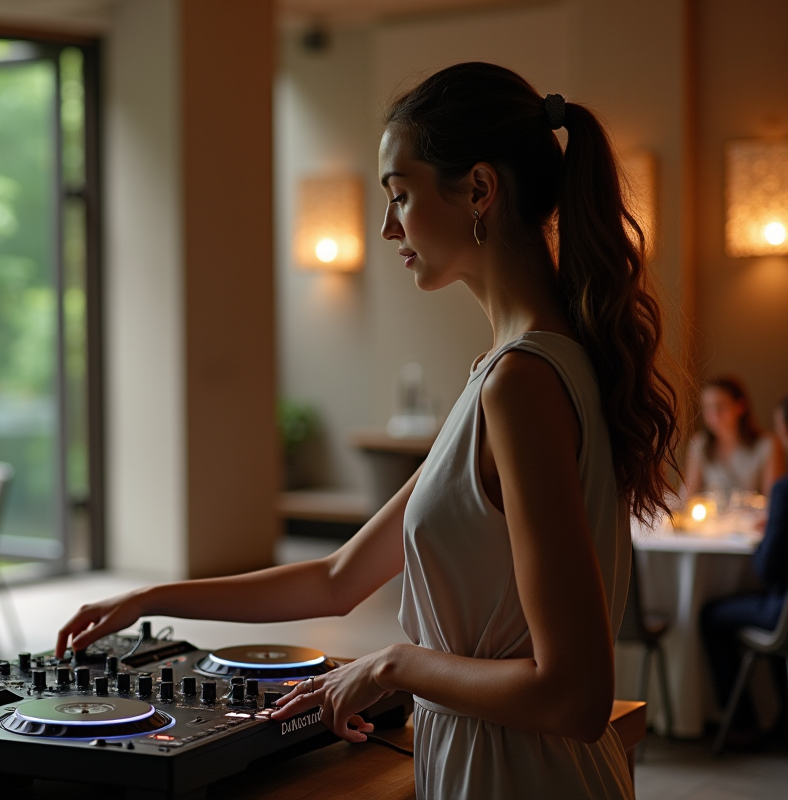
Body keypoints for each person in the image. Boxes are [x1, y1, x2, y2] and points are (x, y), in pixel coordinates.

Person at [56, 63, 682, 799]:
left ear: (480, 189)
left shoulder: (522, 383)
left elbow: (574, 696)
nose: (388, 227)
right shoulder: (513, 373)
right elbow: (339, 577)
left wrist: (391, 664)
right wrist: (149, 598)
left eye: (401, 195)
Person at [700, 395, 788, 746]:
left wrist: (769, 535)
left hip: (782, 612)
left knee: (709, 616)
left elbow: (767, 568)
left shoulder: (784, 489)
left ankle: (743, 722)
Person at [682, 375, 783, 500]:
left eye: (720, 406)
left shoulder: (767, 445)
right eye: (708, 407)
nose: (714, 414)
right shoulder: (699, 444)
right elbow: (689, 494)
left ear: (740, 406)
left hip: (753, 513)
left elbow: (773, 499)